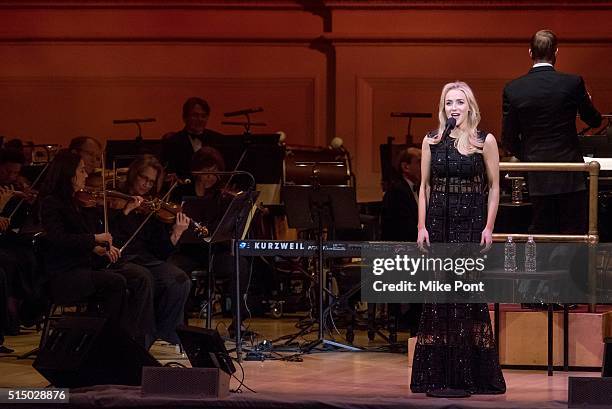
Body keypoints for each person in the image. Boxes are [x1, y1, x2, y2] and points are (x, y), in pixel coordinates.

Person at [411, 81, 505, 396]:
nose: (454, 108)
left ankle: (471, 373)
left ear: (470, 107)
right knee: (439, 298)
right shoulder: (432, 141)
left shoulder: (483, 140)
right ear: (443, 108)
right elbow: (423, 187)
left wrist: (489, 227)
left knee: (466, 296)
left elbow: (494, 187)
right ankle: (437, 373)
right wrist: (422, 226)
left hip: (471, 223)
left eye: (459, 102)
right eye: (449, 103)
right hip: (438, 223)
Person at [38, 150, 154, 345]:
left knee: (138, 279)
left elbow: (82, 237)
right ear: (69, 174)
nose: (86, 175)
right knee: (115, 282)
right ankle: (103, 341)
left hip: (85, 265)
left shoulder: (76, 202)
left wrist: (99, 248)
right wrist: (94, 240)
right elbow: (58, 239)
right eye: (82, 170)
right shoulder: (52, 203)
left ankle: (134, 339)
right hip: (64, 273)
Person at [502, 29, 602, 234]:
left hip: (537, 174)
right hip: (571, 174)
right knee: (575, 233)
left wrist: (530, 157)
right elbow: (594, 120)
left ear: (530, 53)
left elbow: (508, 139)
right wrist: (586, 101)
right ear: (556, 52)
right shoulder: (573, 83)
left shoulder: (513, 88)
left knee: (542, 233)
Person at [109, 154, 191, 348]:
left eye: (151, 182)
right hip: (121, 259)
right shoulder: (114, 198)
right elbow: (108, 233)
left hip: (146, 260)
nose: (147, 185)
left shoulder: (151, 207)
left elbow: (160, 252)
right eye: (143, 178)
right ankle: (141, 340)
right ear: (133, 174)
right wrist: (125, 212)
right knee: (144, 277)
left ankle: (167, 334)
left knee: (179, 279)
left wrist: (176, 234)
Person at [167, 147, 251, 337]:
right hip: (187, 251)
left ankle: (238, 322)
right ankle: (180, 321)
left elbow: (229, 227)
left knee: (240, 264)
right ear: (196, 171)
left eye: (214, 172)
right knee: (174, 270)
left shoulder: (222, 196)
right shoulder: (181, 191)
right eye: (206, 172)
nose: (210, 177)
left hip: (215, 252)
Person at [161, 97, 224, 178]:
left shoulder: (218, 139)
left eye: (203, 116)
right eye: (195, 115)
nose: (200, 119)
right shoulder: (172, 142)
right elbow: (169, 172)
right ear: (184, 118)